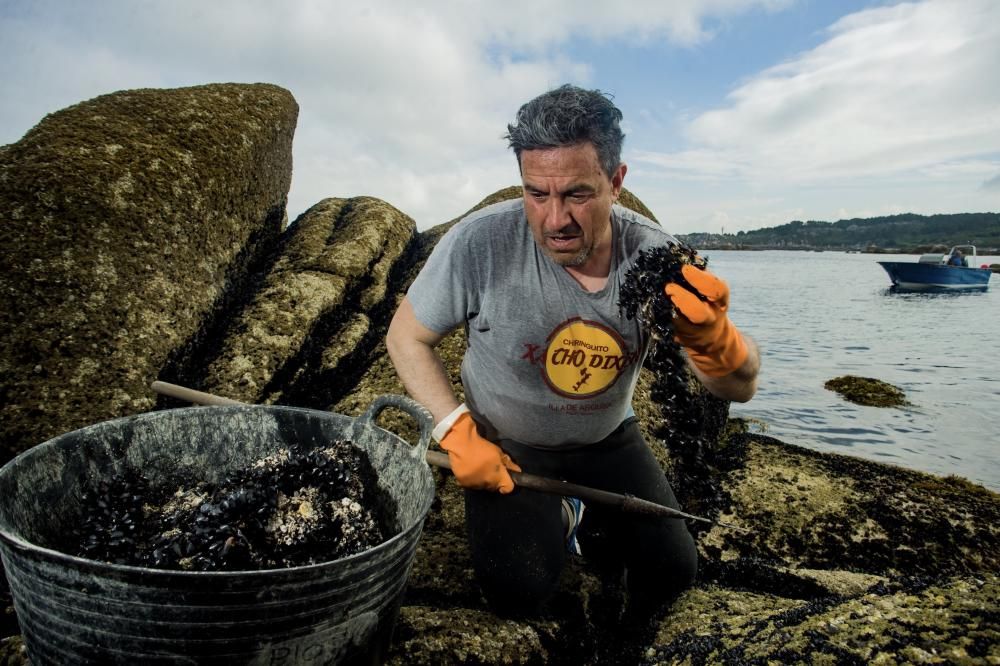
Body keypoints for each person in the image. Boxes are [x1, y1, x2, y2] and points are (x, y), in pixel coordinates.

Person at [386, 84, 760, 621]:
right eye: (537, 193)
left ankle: (579, 517)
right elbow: (406, 337)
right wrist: (457, 431)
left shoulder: (657, 261)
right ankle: (561, 515)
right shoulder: (480, 243)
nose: (555, 219)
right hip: (509, 444)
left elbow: (739, 388)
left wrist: (719, 346)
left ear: (616, 181)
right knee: (520, 592)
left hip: (606, 438)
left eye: (578, 195)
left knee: (674, 573)